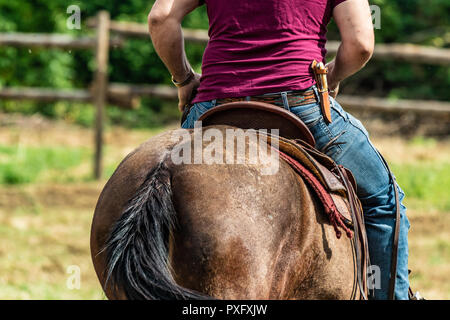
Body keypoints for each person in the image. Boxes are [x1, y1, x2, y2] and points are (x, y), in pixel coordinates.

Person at [148, 0, 411, 300]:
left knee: (163, 183)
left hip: (217, 106)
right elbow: (360, 44)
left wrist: (183, 78)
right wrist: (332, 77)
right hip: (299, 105)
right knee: (383, 200)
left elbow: (160, 18)